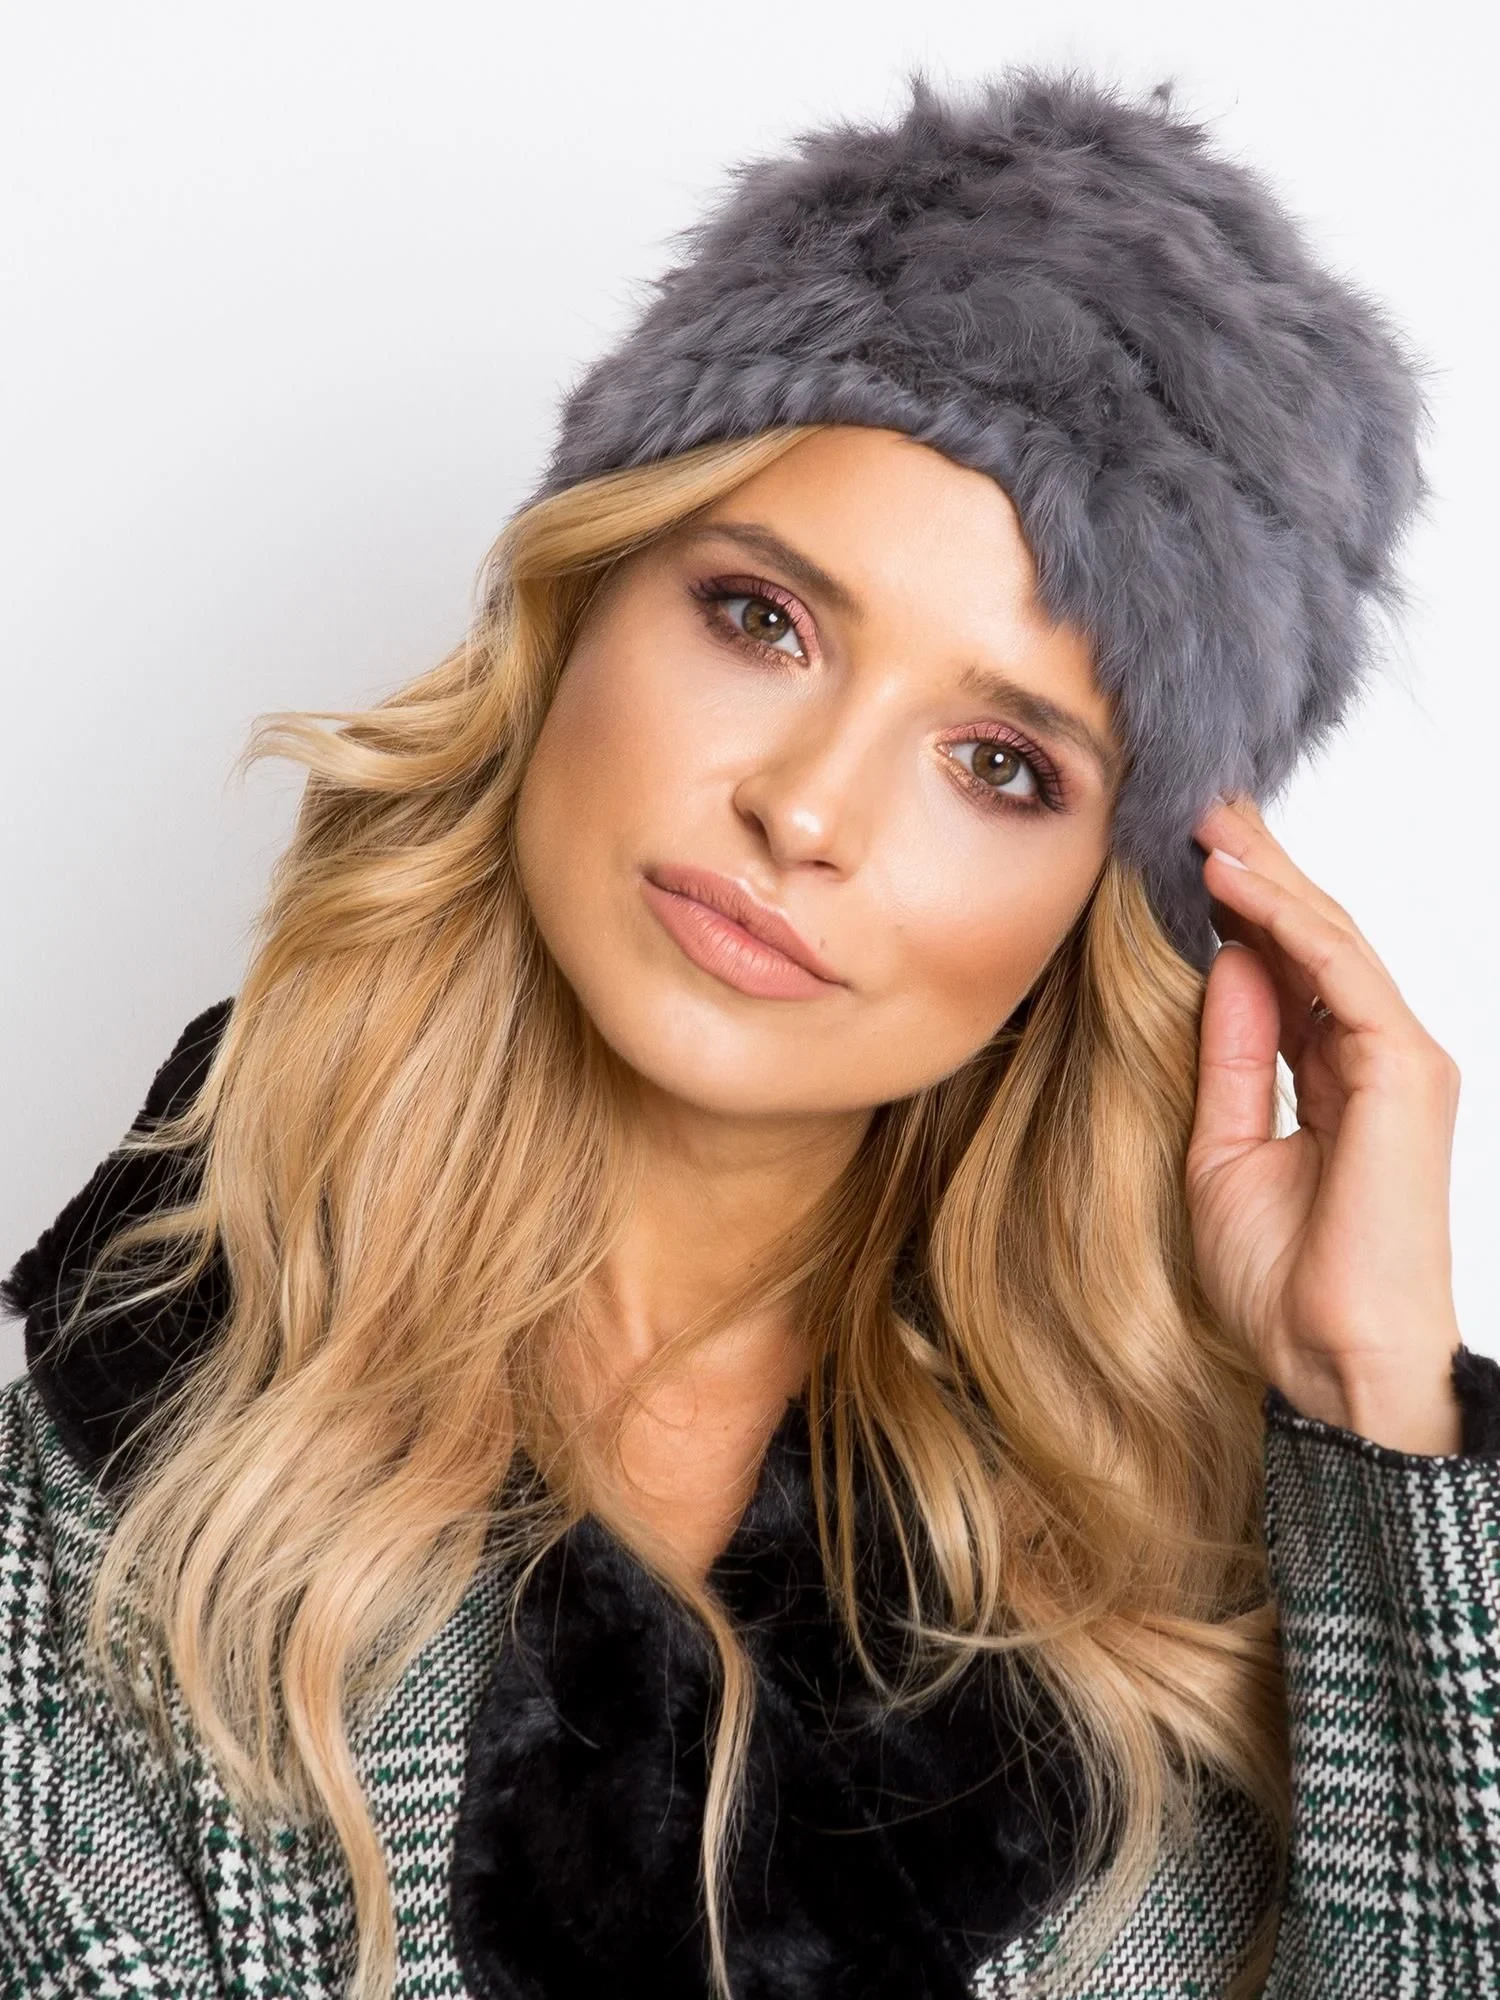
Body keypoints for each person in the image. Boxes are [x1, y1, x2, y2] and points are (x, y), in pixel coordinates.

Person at [1, 61, 1495, 2000]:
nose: (808, 808)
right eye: (762, 619)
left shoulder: (1228, 1582)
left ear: (1109, 904)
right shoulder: (118, 1472)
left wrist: (1372, 1401)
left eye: (999, 762)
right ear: (580, 606)